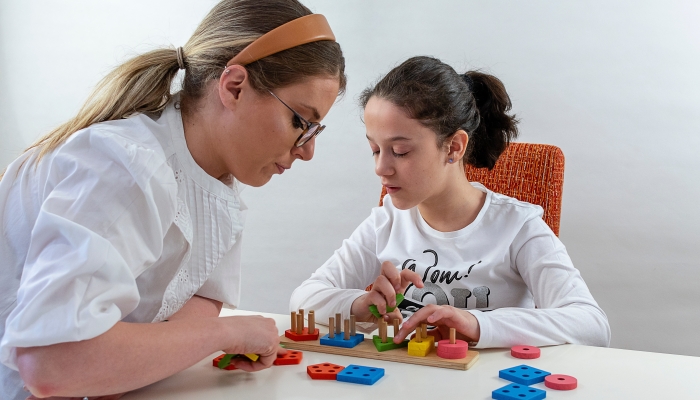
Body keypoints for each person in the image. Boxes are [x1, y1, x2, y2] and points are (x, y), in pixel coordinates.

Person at [0, 0, 346, 398]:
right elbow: (51, 363)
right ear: (234, 87)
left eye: (315, 130)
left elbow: (202, 295)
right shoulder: (127, 167)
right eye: (300, 122)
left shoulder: (218, 182)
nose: (307, 151)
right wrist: (225, 333)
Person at [290, 56, 610, 350]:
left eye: (400, 151)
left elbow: (592, 325)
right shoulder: (385, 222)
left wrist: (477, 324)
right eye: (375, 149)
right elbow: (303, 299)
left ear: (454, 147)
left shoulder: (518, 227)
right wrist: (361, 305)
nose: (381, 168)